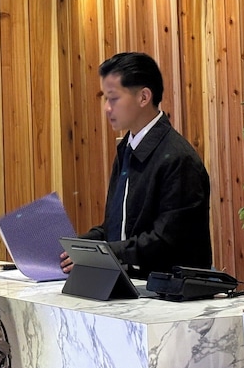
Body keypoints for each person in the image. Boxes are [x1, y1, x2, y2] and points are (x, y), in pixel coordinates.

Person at [61, 51, 212, 278]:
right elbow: (120, 228)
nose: (107, 108)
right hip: (135, 287)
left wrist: (103, 252)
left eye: (113, 98)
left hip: (170, 298)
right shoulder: (127, 149)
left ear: (143, 97)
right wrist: (76, 245)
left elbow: (166, 241)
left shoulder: (179, 158)